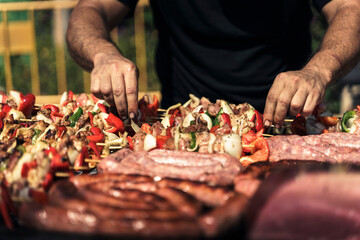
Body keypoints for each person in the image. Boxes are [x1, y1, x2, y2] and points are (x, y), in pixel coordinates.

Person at [66, 0, 360, 128]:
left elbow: (350, 7)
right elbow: (90, 8)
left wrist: (317, 71)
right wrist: (102, 53)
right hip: (183, 124)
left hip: (289, 122)